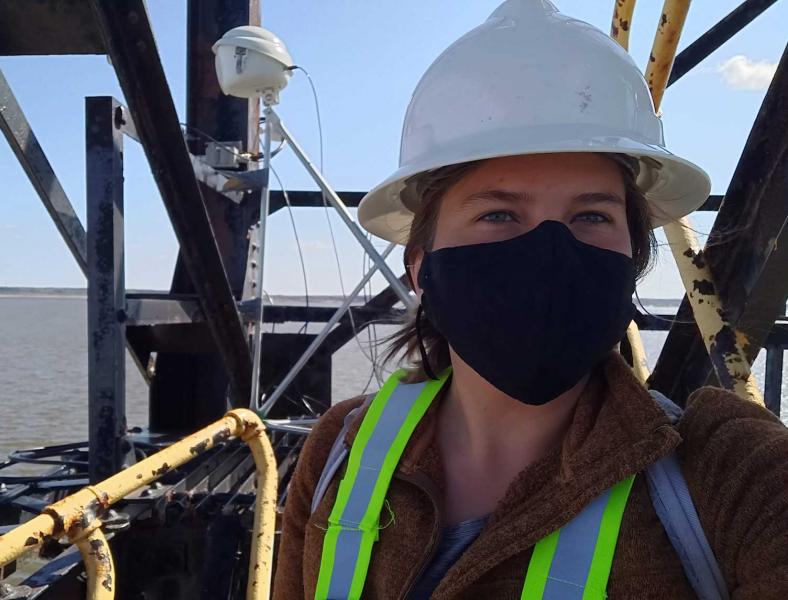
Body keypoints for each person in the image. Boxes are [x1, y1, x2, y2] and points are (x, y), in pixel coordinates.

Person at [273, 1, 788, 598]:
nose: (549, 251)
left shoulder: (729, 472)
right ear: (421, 265)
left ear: (632, 257)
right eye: (498, 213)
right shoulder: (340, 449)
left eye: (591, 215)